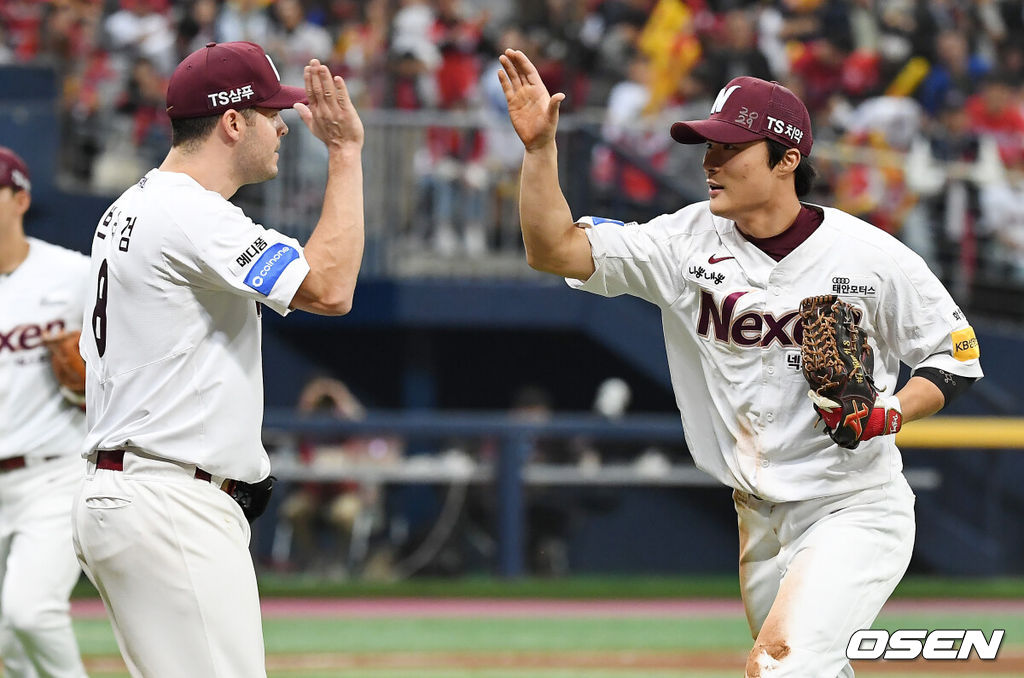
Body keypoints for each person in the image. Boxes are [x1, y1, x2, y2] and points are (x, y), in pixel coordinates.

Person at [498, 50, 984, 677]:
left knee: (778, 669)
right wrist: (540, 152)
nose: (709, 162)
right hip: (756, 514)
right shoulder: (682, 242)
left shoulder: (869, 256)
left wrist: (887, 413)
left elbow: (957, 356)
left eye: (730, 149)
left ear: (786, 161)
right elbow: (554, 250)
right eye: (707, 146)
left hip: (852, 505)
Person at [71, 42, 365, 678]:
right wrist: (345, 154)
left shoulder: (129, 206)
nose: (286, 125)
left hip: (130, 489)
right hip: (170, 500)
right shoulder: (189, 211)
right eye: (272, 112)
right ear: (234, 122)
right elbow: (330, 287)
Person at [0, 146, 89, 677]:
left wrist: (85, 387)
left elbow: (124, 369)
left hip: (52, 472)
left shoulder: (75, 275)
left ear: (21, 198)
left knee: (30, 612)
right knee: (8, 636)